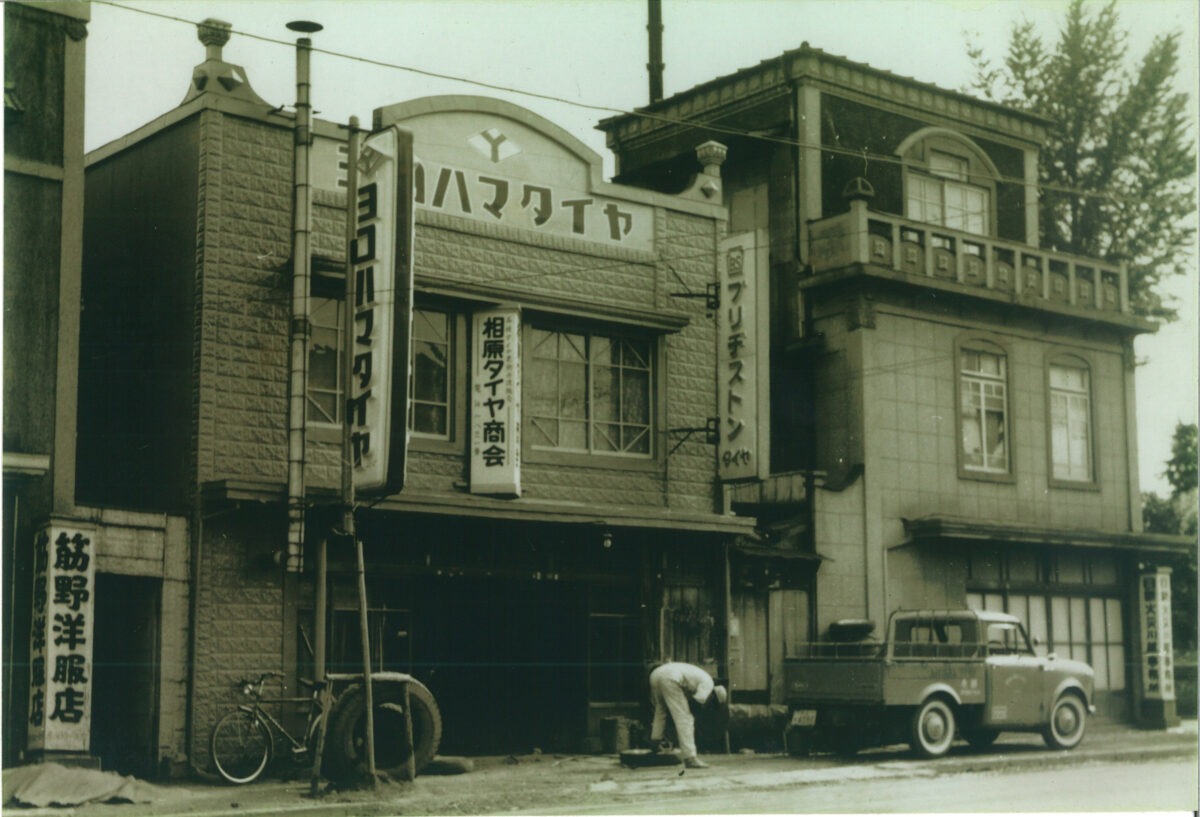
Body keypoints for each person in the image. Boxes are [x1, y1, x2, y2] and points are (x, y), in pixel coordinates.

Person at [648, 662, 727, 768]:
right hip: (670, 677)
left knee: (660, 710)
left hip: (655, 675)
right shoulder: (709, 684)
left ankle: (655, 744)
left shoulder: (699, 679)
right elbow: (695, 705)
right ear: (713, 696)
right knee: (685, 718)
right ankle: (690, 757)